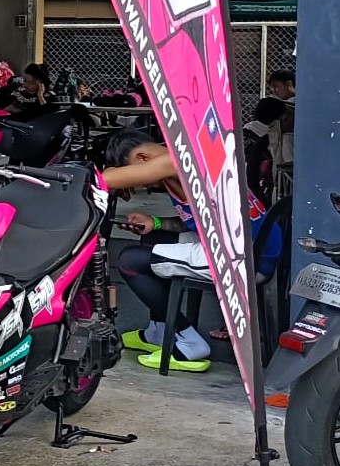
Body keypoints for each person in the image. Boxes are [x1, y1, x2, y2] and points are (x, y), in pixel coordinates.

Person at [104, 127, 281, 372]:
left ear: (142, 158)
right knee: (152, 239)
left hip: (244, 259)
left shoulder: (177, 158)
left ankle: (189, 343)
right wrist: (155, 223)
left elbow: (108, 179)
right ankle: (159, 331)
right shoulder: (180, 168)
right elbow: (196, 221)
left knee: (130, 261)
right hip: (242, 246)